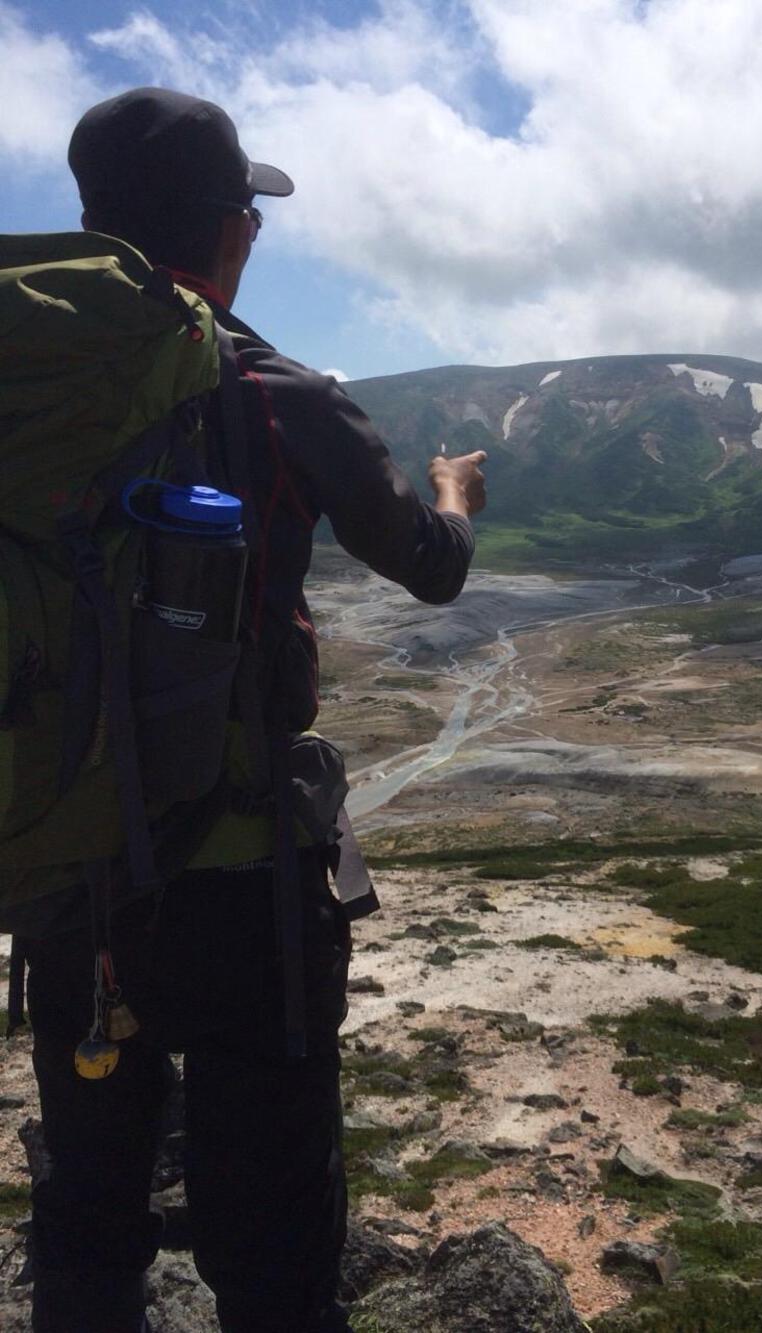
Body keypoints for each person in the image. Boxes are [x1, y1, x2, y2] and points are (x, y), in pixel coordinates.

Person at [10, 87, 486, 1333]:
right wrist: (453, 492)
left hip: (64, 867)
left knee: (88, 1198)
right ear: (231, 232)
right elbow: (430, 563)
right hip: (238, 878)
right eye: (251, 219)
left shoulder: (28, 396)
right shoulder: (278, 392)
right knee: (273, 1226)